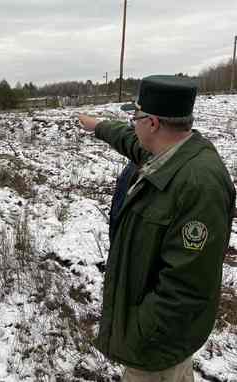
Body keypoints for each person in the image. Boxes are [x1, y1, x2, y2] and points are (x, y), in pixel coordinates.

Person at [77, 75, 235, 381]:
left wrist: (141, 334)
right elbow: (128, 138)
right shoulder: (169, 152)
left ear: (152, 123)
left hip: (156, 348)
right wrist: (97, 126)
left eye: (136, 117)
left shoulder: (198, 183)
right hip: (159, 342)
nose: (132, 124)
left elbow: (186, 287)